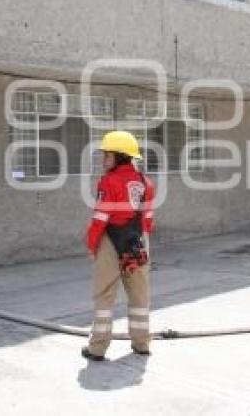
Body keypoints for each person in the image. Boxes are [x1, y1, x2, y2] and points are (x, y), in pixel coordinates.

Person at [81, 131, 155, 362]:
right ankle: (142, 343)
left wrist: (92, 245)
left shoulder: (109, 181)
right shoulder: (146, 182)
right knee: (140, 295)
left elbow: (100, 219)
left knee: (104, 295)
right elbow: (149, 218)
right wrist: (138, 241)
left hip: (110, 241)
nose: (103, 160)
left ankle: (98, 348)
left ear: (120, 156)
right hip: (138, 241)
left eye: (107, 155)